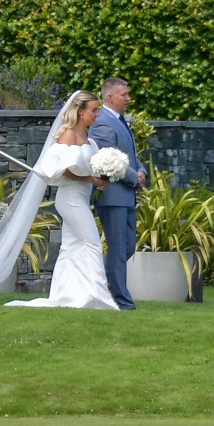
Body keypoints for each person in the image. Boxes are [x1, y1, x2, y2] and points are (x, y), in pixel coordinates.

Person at [5, 91, 119, 310]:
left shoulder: (88, 138)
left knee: (71, 247)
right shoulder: (67, 136)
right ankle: (100, 297)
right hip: (71, 199)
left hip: (82, 198)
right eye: (93, 110)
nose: (96, 114)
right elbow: (64, 171)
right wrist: (90, 179)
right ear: (80, 111)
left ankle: (65, 295)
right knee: (92, 243)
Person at [88, 78, 147, 311]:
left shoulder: (121, 121)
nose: (128, 98)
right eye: (124, 94)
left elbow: (129, 155)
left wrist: (141, 171)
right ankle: (123, 301)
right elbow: (107, 160)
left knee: (128, 247)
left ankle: (99, 284)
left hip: (127, 196)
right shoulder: (102, 123)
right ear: (110, 97)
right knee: (117, 248)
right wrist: (134, 177)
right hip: (112, 197)